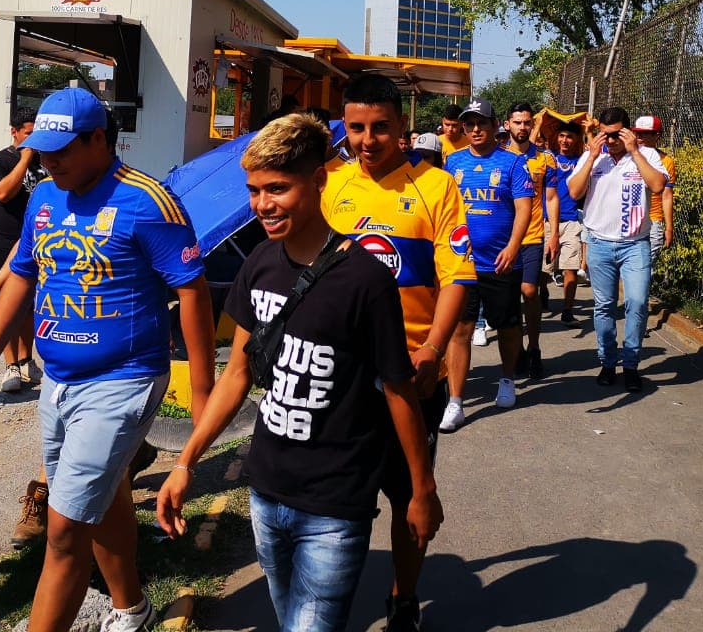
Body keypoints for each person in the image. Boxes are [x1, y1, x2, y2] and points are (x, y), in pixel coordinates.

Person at [157, 113, 442, 632]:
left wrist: (421, 492)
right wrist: (186, 462)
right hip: (266, 491)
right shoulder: (260, 263)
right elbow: (238, 372)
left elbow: (399, 392)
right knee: (290, 621)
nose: (262, 204)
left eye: (278, 188)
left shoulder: (366, 278)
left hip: (335, 504)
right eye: (255, 190)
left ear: (317, 181)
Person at [0, 87, 215, 632]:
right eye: (42, 149)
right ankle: (132, 609)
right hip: (58, 380)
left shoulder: (149, 201)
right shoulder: (44, 198)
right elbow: (24, 274)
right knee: (106, 495)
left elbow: (192, 291)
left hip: (122, 380)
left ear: (100, 138)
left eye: (61, 150)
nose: (48, 161)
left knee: (63, 532)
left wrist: (200, 390)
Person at [321, 73, 472, 632]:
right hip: (336, 375)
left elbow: (457, 278)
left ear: (402, 128)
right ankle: (327, 601)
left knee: (412, 496)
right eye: (356, 128)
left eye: (380, 127)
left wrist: (433, 349)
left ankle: (403, 599)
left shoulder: (436, 187)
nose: (367, 140)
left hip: (409, 375)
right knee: (338, 499)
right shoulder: (326, 182)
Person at [442, 98, 533, 429]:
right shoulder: (453, 163)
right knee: (460, 329)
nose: (475, 129)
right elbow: (446, 210)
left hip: (500, 263)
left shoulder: (513, 164)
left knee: (508, 326)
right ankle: (455, 401)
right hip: (463, 263)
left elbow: (524, 209)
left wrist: (512, 247)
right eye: (469, 124)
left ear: (497, 126)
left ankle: (507, 379)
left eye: (482, 122)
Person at [566, 107, 667, 393]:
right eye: (605, 135)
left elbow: (658, 186)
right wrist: (592, 156)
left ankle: (631, 365)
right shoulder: (592, 156)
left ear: (628, 131)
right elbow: (573, 192)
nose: (610, 140)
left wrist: (635, 151)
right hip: (599, 243)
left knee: (636, 303)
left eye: (616, 134)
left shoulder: (646, 155)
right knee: (605, 306)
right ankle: (608, 362)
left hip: (635, 244)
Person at [0, 109, 46, 393]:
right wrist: (24, 159)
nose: (34, 139)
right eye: (29, 133)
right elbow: (2, 193)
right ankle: (9, 366)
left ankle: (26, 359)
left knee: (30, 305)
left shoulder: (45, 163)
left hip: (37, 243)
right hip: (4, 241)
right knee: (7, 306)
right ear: (15, 132)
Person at [501, 102, 560, 380]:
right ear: (507, 125)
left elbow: (551, 198)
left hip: (534, 234)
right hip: (503, 237)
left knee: (529, 291)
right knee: (509, 297)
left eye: (527, 122)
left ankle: (534, 348)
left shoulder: (545, 158)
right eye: (517, 122)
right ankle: (517, 351)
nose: (522, 127)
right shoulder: (498, 158)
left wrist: (554, 234)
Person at [547, 121, 586, 325]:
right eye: (561, 135)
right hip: (546, 222)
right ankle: (541, 295)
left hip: (571, 220)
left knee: (570, 267)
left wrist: (590, 130)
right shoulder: (548, 158)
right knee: (543, 272)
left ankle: (567, 310)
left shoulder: (582, 161)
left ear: (576, 140)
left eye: (570, 136)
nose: (565, 140)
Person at [633, 115, 676, 267]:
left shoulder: (666, 161)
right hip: (629, 220)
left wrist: (669, 228)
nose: (639, 137)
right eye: (637, 133)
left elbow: (666, 195)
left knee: (644, 270)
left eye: (644, 133)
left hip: (653, 221)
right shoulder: (628, 157)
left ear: (657, 135)